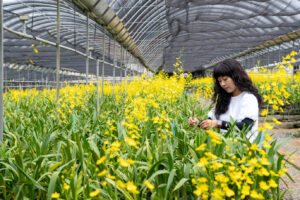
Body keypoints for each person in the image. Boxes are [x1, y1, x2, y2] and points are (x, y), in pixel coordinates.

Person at [188, 58, 263, 142]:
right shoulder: (223, 99)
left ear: (236, 77)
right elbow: (212, 121)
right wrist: (198, 123)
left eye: (225, 79)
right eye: (219, 81)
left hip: (243, 149)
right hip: (224, 148)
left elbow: (245, 126)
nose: (222, 84)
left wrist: (218, 124)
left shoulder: (248, 98)